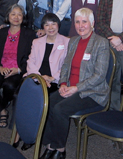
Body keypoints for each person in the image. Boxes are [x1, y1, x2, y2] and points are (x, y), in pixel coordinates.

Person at [39, 8, 110, 159]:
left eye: (84, 22)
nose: (80, 25)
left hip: (92, 93)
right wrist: (63, 84)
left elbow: (99, 76)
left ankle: (60, 149)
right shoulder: (73, 41)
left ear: (92, 23)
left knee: (59, 109)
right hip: (70, 87)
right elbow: (65, 66)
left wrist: (76, 88)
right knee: (47, 103)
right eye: (77, 22)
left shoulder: (101, 43)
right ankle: (50, 145)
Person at [13, 13, 69, 151]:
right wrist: (39, 77)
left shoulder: (67, 42)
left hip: (54, 81)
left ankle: (33, 134)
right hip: (35, 77)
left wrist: (52, 77)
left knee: (37, 101)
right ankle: (21, 131)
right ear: (43, 27)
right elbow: (30, 62)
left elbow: (67, 66)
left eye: (53, 23)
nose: (50, 27)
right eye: (46, 24)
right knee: (20, 96)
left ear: (58, 25)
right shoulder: (37, 42)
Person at [0, 4, 36, 128]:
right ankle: (3, 110)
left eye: (19, 14)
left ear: (23, 17)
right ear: (8, 17)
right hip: (1, 68)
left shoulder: (29, 34)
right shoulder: (1, 33)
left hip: (18, 69)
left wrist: (19, 70)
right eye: (13, 14)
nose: (16, 17)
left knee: (9, 85)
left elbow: (32, 57)